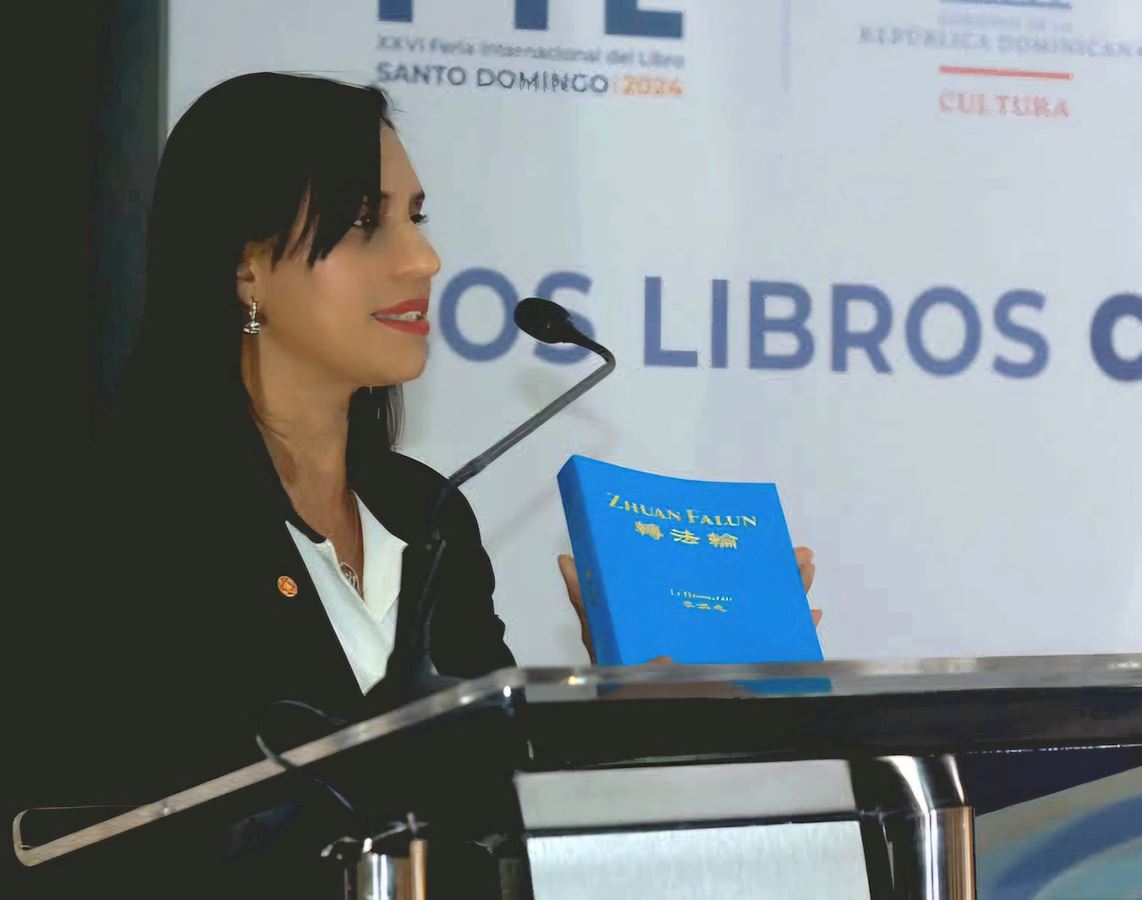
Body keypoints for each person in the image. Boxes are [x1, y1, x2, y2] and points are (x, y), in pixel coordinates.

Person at [13, 71, 818, 897]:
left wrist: (621, 705)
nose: (424, 259)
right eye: (366, 225)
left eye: (417, 217)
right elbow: (141, 822)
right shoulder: (116, 519)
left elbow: (490, 807)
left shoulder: (428, 514)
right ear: (248, 267)